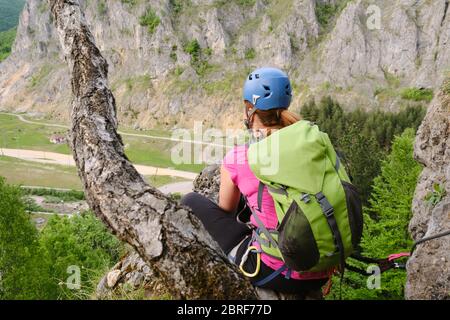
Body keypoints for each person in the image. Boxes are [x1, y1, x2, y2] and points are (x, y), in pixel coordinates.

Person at [181, 67, 330, 296]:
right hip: (320, 269)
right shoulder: (311, 145)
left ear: (250, 110)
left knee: (190, 200)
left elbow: (226, 210)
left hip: (276, 272)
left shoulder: (240, 158)